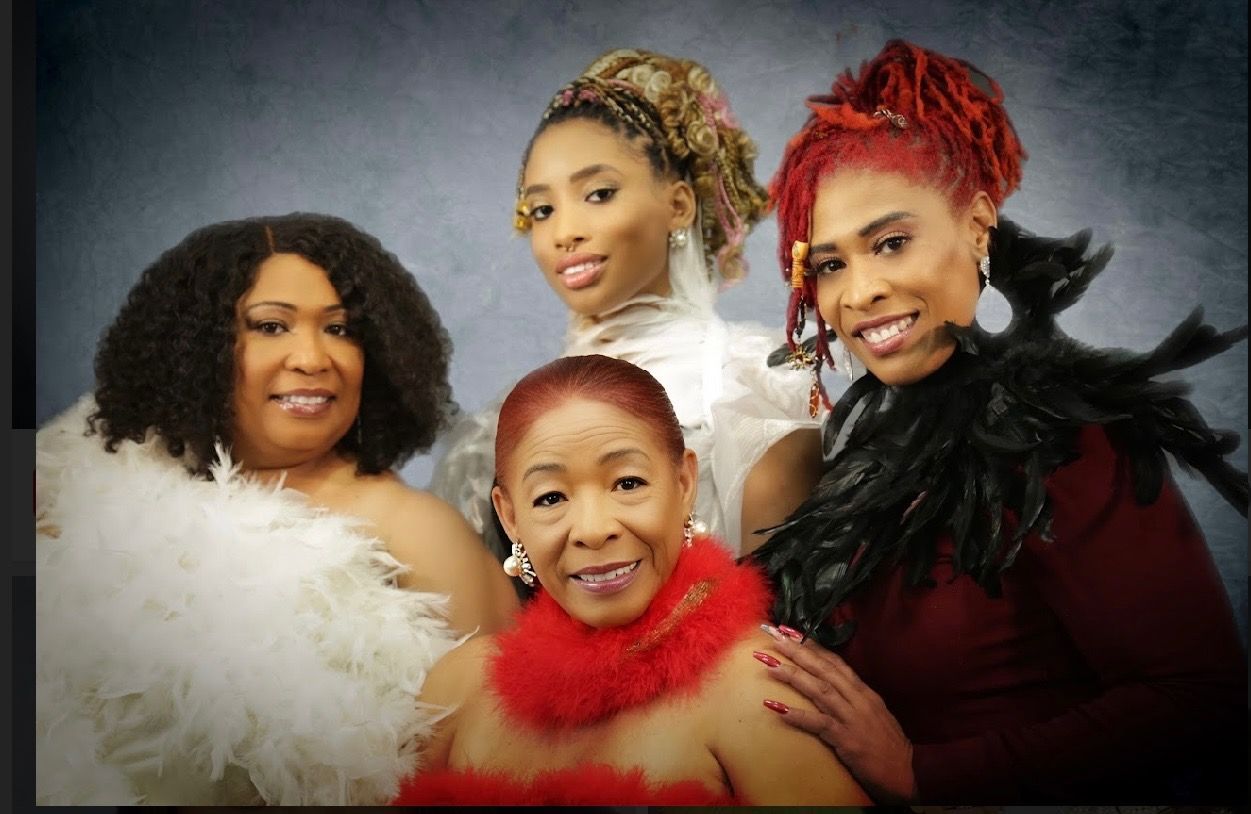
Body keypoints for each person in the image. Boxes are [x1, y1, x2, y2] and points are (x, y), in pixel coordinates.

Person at [750, 40, 1248, 803]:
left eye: (889, 243)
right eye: (829, 265)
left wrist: (923, 773)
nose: (860, 291)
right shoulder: (861, 454)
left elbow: (1196, 698)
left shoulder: (1071, 436)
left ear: (977, 228)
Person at [35, 213, 518, 805]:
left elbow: (513, 747)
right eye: (271, 326)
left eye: (340, 330)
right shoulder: (98, 481)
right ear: (197, 350)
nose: (314, 358)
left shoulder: (413, 530)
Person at [395, 354, 869, 805]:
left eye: (627, 483)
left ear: (683, 485)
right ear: (510, 516)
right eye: (550, 498)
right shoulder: (457, 689)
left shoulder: (759, 684)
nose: (594, 529)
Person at [432, 48, 822, 561]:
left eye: (598, 193)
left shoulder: (752, 391)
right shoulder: (492, 436)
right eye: (542, 209)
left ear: (678, 204)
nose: (564, 233)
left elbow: (784, 622)